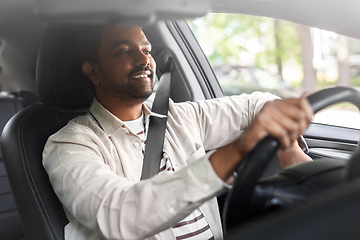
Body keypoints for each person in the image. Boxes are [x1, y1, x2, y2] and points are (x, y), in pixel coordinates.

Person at [42, 23, 313, 240]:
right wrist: (237, 149)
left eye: (146, 50)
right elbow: (121, 216)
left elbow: (257, 104)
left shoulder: (178, 116)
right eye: (124, 51)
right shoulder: (69, 145)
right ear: (93, 71)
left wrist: (288, 150)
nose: (143, 60)